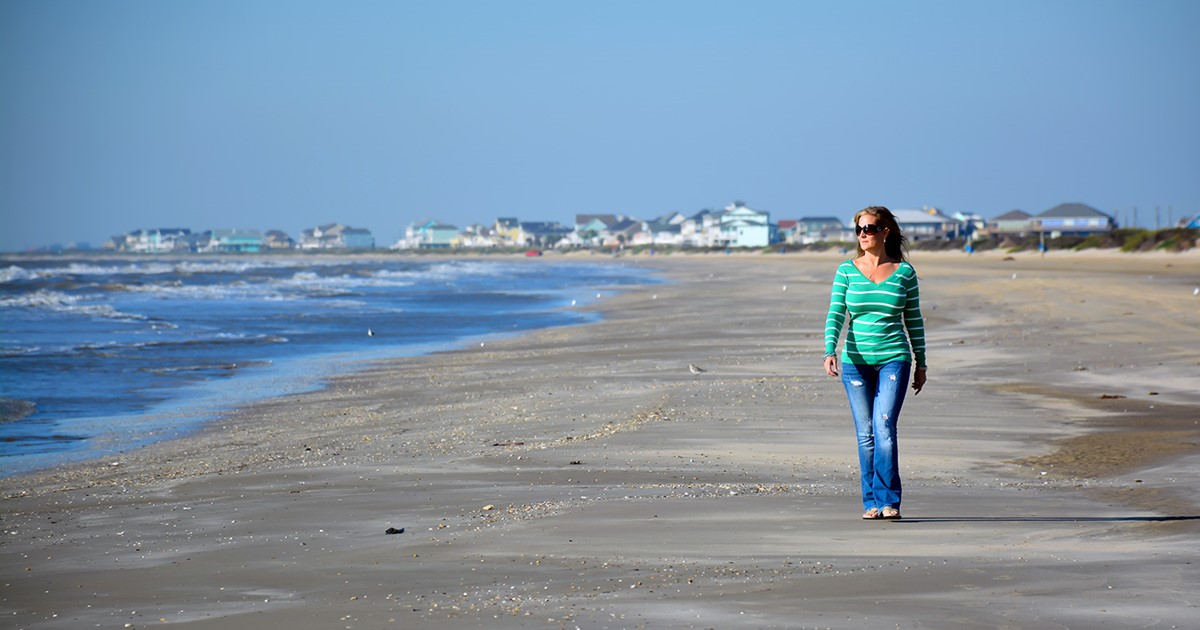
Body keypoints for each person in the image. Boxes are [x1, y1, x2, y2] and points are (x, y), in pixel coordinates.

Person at [822, 206, 927, 520]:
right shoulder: (846, 271)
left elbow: (914, 320)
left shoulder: (904, 273)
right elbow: (836, 314)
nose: (862, 234)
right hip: (855, 361)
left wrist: (921, 363)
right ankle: (870, 502)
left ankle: (888, 501)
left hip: (894, 359)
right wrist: (829, 351)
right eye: (858, 229)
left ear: (885, 232)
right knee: (866, 433)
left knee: (884, 427)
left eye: (868, 228)